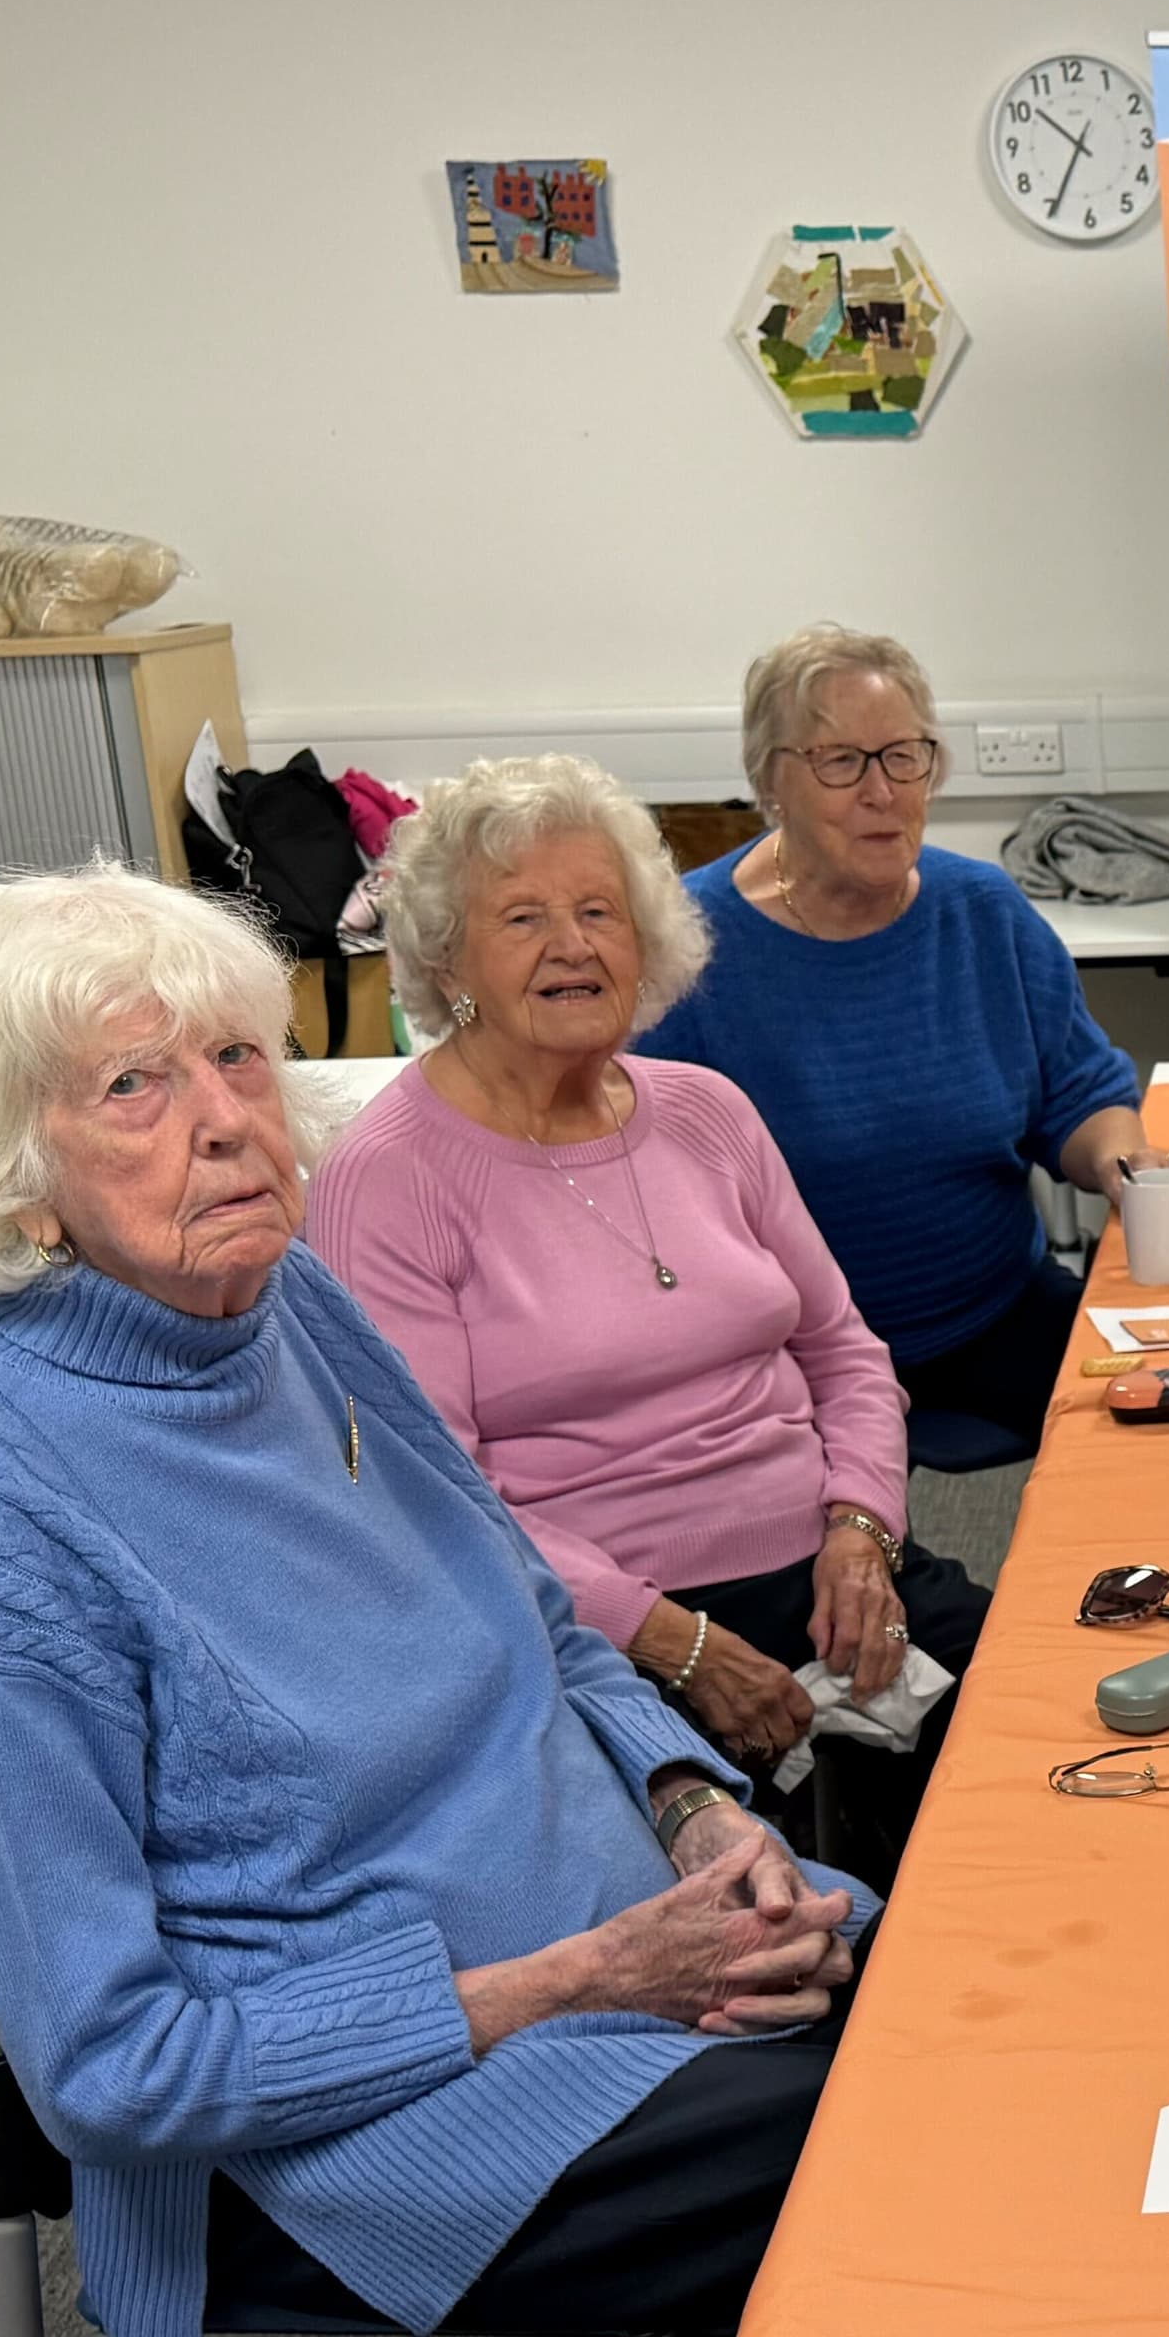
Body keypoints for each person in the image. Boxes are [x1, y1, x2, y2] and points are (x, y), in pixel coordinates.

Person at [0, 864, 870, 2337]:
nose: (222, 1122)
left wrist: (691, 1811)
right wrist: (588, 1979)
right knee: (927, 2138)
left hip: (630, 1938)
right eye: (133, 1085)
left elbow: (530, 1610)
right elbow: (111, 2074)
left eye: (236, 1058)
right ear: (8, 1172)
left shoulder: (288, 1302)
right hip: (375, 2121)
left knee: (1009, 1987)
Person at [311, 754, 987, 1891]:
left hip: (828, 1566)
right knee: (778, 1934)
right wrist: (667, 1639)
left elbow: (845, 1354)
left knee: (1055, 1744)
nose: (573, 944)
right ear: (443, 959)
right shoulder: (386, 1181)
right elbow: (434, 1498)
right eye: (523, 916)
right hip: (594, 1624)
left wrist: (864, 1530)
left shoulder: (706, 1113)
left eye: (599, 911)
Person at [655, 625, 1163, 1443]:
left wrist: (1123, 1163)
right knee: (843, 1560)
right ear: (770, 782)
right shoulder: (686, 949)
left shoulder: (981, 911)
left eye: (903, 756)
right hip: (789, 1363)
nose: (881, 790)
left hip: (997, 1309)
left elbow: (1080, 1092)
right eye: (840, 761)